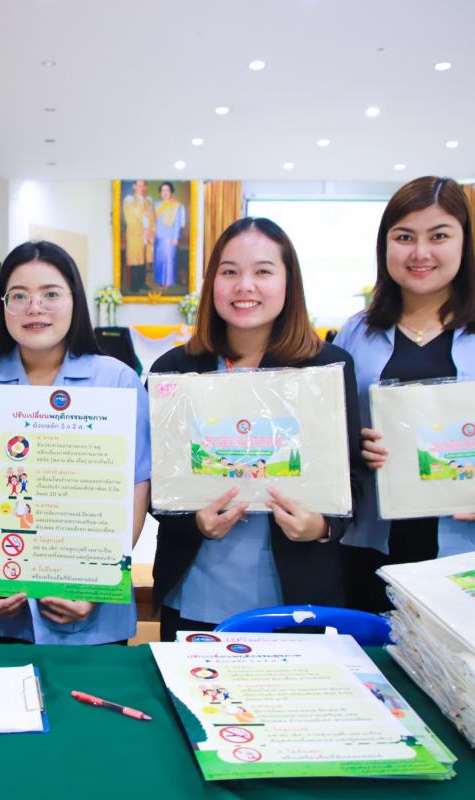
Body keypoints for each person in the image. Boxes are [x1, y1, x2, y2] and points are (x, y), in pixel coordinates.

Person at [335, 176, 475, 613]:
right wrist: (357, 447)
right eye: (404, 237)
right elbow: (332, 434)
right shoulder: (356, 331)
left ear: (464, 242)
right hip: (372, 545)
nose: (420, 253)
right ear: (385, 245)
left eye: (438, 236)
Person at [149, 217, 361, 641]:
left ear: (288, 282)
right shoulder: (174, 370)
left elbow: (354, 476)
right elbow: (153, 481)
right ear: (212, 283)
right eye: (229, 272)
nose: (244, 286)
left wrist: (322, 526)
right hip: (196, 591)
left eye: (263, 271)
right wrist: (194, 522)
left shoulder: (326, 368)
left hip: (299, 594)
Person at [0, 240, 151, 645]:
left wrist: (97, 585)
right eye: (19, 296)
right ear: (3, 305)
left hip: (93, 615)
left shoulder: (117, 381)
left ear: (74, 300)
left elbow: (136, 486)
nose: (35, 308)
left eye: (50, 294)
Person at [121, 180, 155, 293]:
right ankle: (134, 285)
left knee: (144, 260)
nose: (141, 187)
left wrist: (151, 231)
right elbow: (129, 219)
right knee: (136, 261)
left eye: (143, 185)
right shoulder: (129, 200)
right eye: (138, 185)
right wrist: (142, 231)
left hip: (147, 235)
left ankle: (142, 282)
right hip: (135, 234)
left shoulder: (148, 201)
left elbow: (153, 217)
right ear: (134, 186)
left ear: (145, 187)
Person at [153, 182, 186, 289]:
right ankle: (159, 281)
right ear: (160, 192)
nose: (165, 192)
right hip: (157, 236)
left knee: (168, 260)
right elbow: (152, 220)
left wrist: (175, 238)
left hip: (170, 237)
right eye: (163, 190)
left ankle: (168, 282)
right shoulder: (156, 204)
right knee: (159, 260)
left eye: (167, 190)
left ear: (171, 191)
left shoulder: (177, 206)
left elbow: (177, 223)